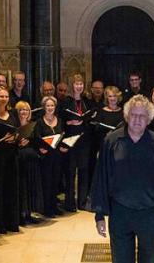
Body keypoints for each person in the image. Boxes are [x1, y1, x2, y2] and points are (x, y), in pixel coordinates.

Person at [91, 94, 154, 263]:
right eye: (133, 115)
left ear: (149, 119)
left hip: (152, 214)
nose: (137, 120)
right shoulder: (111, 141)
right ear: (127, 116)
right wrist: (99, 215)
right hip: (120, 212)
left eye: (142, 116)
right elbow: (101, 178)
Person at [0, 86, 20, 233]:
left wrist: (17, 138)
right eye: (1, 96)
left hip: (11, 155)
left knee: (11, 188)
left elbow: (19, 131)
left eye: (6, 96)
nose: (4, 99)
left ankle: (11, 222)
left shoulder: (13, 114)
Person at [58, 74, 93, 211]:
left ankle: (82, 202)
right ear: (72, 85)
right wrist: (69, 122)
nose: (79, 86)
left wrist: (86, 119)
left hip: (84, 139)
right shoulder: (66, 101)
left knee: (84, 170)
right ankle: (70, 202)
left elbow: (90, 118)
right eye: (76, 84)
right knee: (70, 171)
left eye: (81, 84)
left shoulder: (86, 101)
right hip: (70, 139)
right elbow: (60, 119)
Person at [32, 96, 64, 217]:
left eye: (52, 105)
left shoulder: (59, 120)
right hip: (45, 156)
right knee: (47, 182)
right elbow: (37, 138)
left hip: (57, 155)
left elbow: (62, 135)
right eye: (48, 105)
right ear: (44, 107)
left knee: (56, 181)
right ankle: (47, 208)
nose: (50, 108)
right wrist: (40, 148)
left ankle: (54, 206)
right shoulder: (39, 122)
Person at [14, 100, 44, 225]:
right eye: (21, 109)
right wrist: (18, 142)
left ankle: (29, 213)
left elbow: (38, 141)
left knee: (31, 187)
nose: (24, 112)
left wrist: (30, 143)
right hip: (19, 160)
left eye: (26, 109)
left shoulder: (33, 125)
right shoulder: (14, 125)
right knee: (22, 187)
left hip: (31, 160)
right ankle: (20, 214)